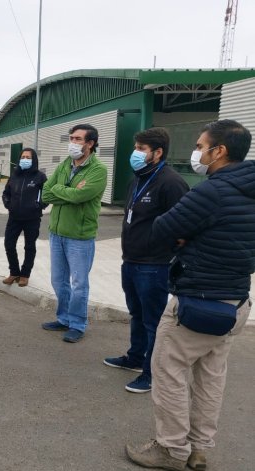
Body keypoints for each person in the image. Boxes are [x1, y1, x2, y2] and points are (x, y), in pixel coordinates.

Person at [126, 119, 254, 471]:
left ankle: (171, 448)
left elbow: (162, 230)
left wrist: (188, 238)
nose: (197, 153)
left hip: (198, 299)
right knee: (211, 375)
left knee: (168, 370)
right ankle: (199, 447)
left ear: (220, 151)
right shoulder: (248, 189)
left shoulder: (211, 191)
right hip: (235, 300)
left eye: (200, 146)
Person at [104, 128, 188, 393]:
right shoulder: (138, 178)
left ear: (158, 152)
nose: (136, 153)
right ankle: (135, 357)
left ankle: (152, 373)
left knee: (153, 321)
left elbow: (183, 225)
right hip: (131, 259)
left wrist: (164, 249)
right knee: (137, 313)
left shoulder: (170, 182)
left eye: (141, 148)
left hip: (154, 264)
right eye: (136, 147)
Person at [41, 124, 107, 343]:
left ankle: (77, 324)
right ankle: (64, 318)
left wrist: (65, 192)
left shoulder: (98, 170)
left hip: (80, 237)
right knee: (59, 281)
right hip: (56, 233)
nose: (73, 142)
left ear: (90, 143)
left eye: (78, 139)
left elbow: (81, 197)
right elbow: (47, 194)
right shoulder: (64, 164)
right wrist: (69, 193)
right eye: (71, 138)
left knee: (79, 284)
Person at [1, 148, 47, 287]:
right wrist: (8, 204)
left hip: (32, 219)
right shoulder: (14, 175)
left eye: (28, 157)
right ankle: (14, 272)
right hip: (14, 217)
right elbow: (6, 193)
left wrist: (38, 206)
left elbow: (47, 196)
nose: (25, 160)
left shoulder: (40, 177)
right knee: (9, 244)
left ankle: (25, 275)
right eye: (23, 157)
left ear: (33, 160)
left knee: (29, 247)